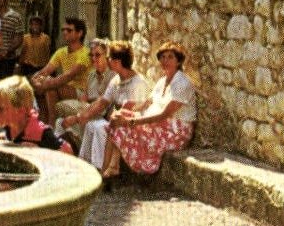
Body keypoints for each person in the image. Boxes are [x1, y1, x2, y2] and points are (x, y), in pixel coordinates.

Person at [101, 41, 196, 182]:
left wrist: (132, 121)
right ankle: (108, 168)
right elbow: (146, 104)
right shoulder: (162, 81)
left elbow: (165, 115)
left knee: (123, 124)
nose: (165, 61)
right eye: (163, 57)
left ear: (178, 61)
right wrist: (127, 110)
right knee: (116, 120)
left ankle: (110, 170)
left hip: (176, 131)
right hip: (160, 124)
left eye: (170, 57)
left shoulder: (182, 83)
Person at [79, 41, 150, 169]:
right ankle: (85, 166)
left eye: (110, 58)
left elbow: (128, 110)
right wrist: (85, 115)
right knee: (91, 124)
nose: (108, 60)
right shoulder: (117, 79)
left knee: (100, 128)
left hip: (132, 125)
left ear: (117, 62)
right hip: (117, 120)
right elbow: (103, 102)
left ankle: (101, 169)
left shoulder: (138, 83)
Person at [0, 76, 73, 152]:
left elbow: (67, 150)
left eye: (0, 109)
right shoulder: (11, 125)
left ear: (21, 110)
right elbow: (11, 138)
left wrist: (40, 151)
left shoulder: (40, 132)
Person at [31, 16, 91, 125]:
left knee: (50, 85)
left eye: (69, 30)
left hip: (82, 92)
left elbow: (69, 76)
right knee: (47, 85)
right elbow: (45, 71)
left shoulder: (85, 53)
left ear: (79, 33)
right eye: (63, 30)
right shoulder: (61, 52)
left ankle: (50, 123)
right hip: (64, 88)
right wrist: (36, 80)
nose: (65, 32)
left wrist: (44, 84)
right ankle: (45, 122)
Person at [55, 37, 112, 144]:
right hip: (87, 112)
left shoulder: (112, 76)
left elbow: (102, 105)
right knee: (60, 122)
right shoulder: (91, 76)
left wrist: (77, 117)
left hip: (101, 114)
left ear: (107, 56)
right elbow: (83, 100)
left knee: (74, 118)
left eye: (98, 55)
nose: (93, 58)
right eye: (91, 55)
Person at [0, 0, 24, 79]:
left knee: (4, 87)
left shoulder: (15, 17)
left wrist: (8, 50)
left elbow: (19, 38)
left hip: (8, 59)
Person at [16, 13, 52, 77]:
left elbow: (47, 53)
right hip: (27, 67)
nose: (34, 26)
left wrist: (48, 68)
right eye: (32, 24)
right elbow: (23, 53)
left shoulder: (45, 38)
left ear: (40, 26)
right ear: (30, 26)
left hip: (40, 67)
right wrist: (19, 66)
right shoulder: (25, 38)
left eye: (37, 24)